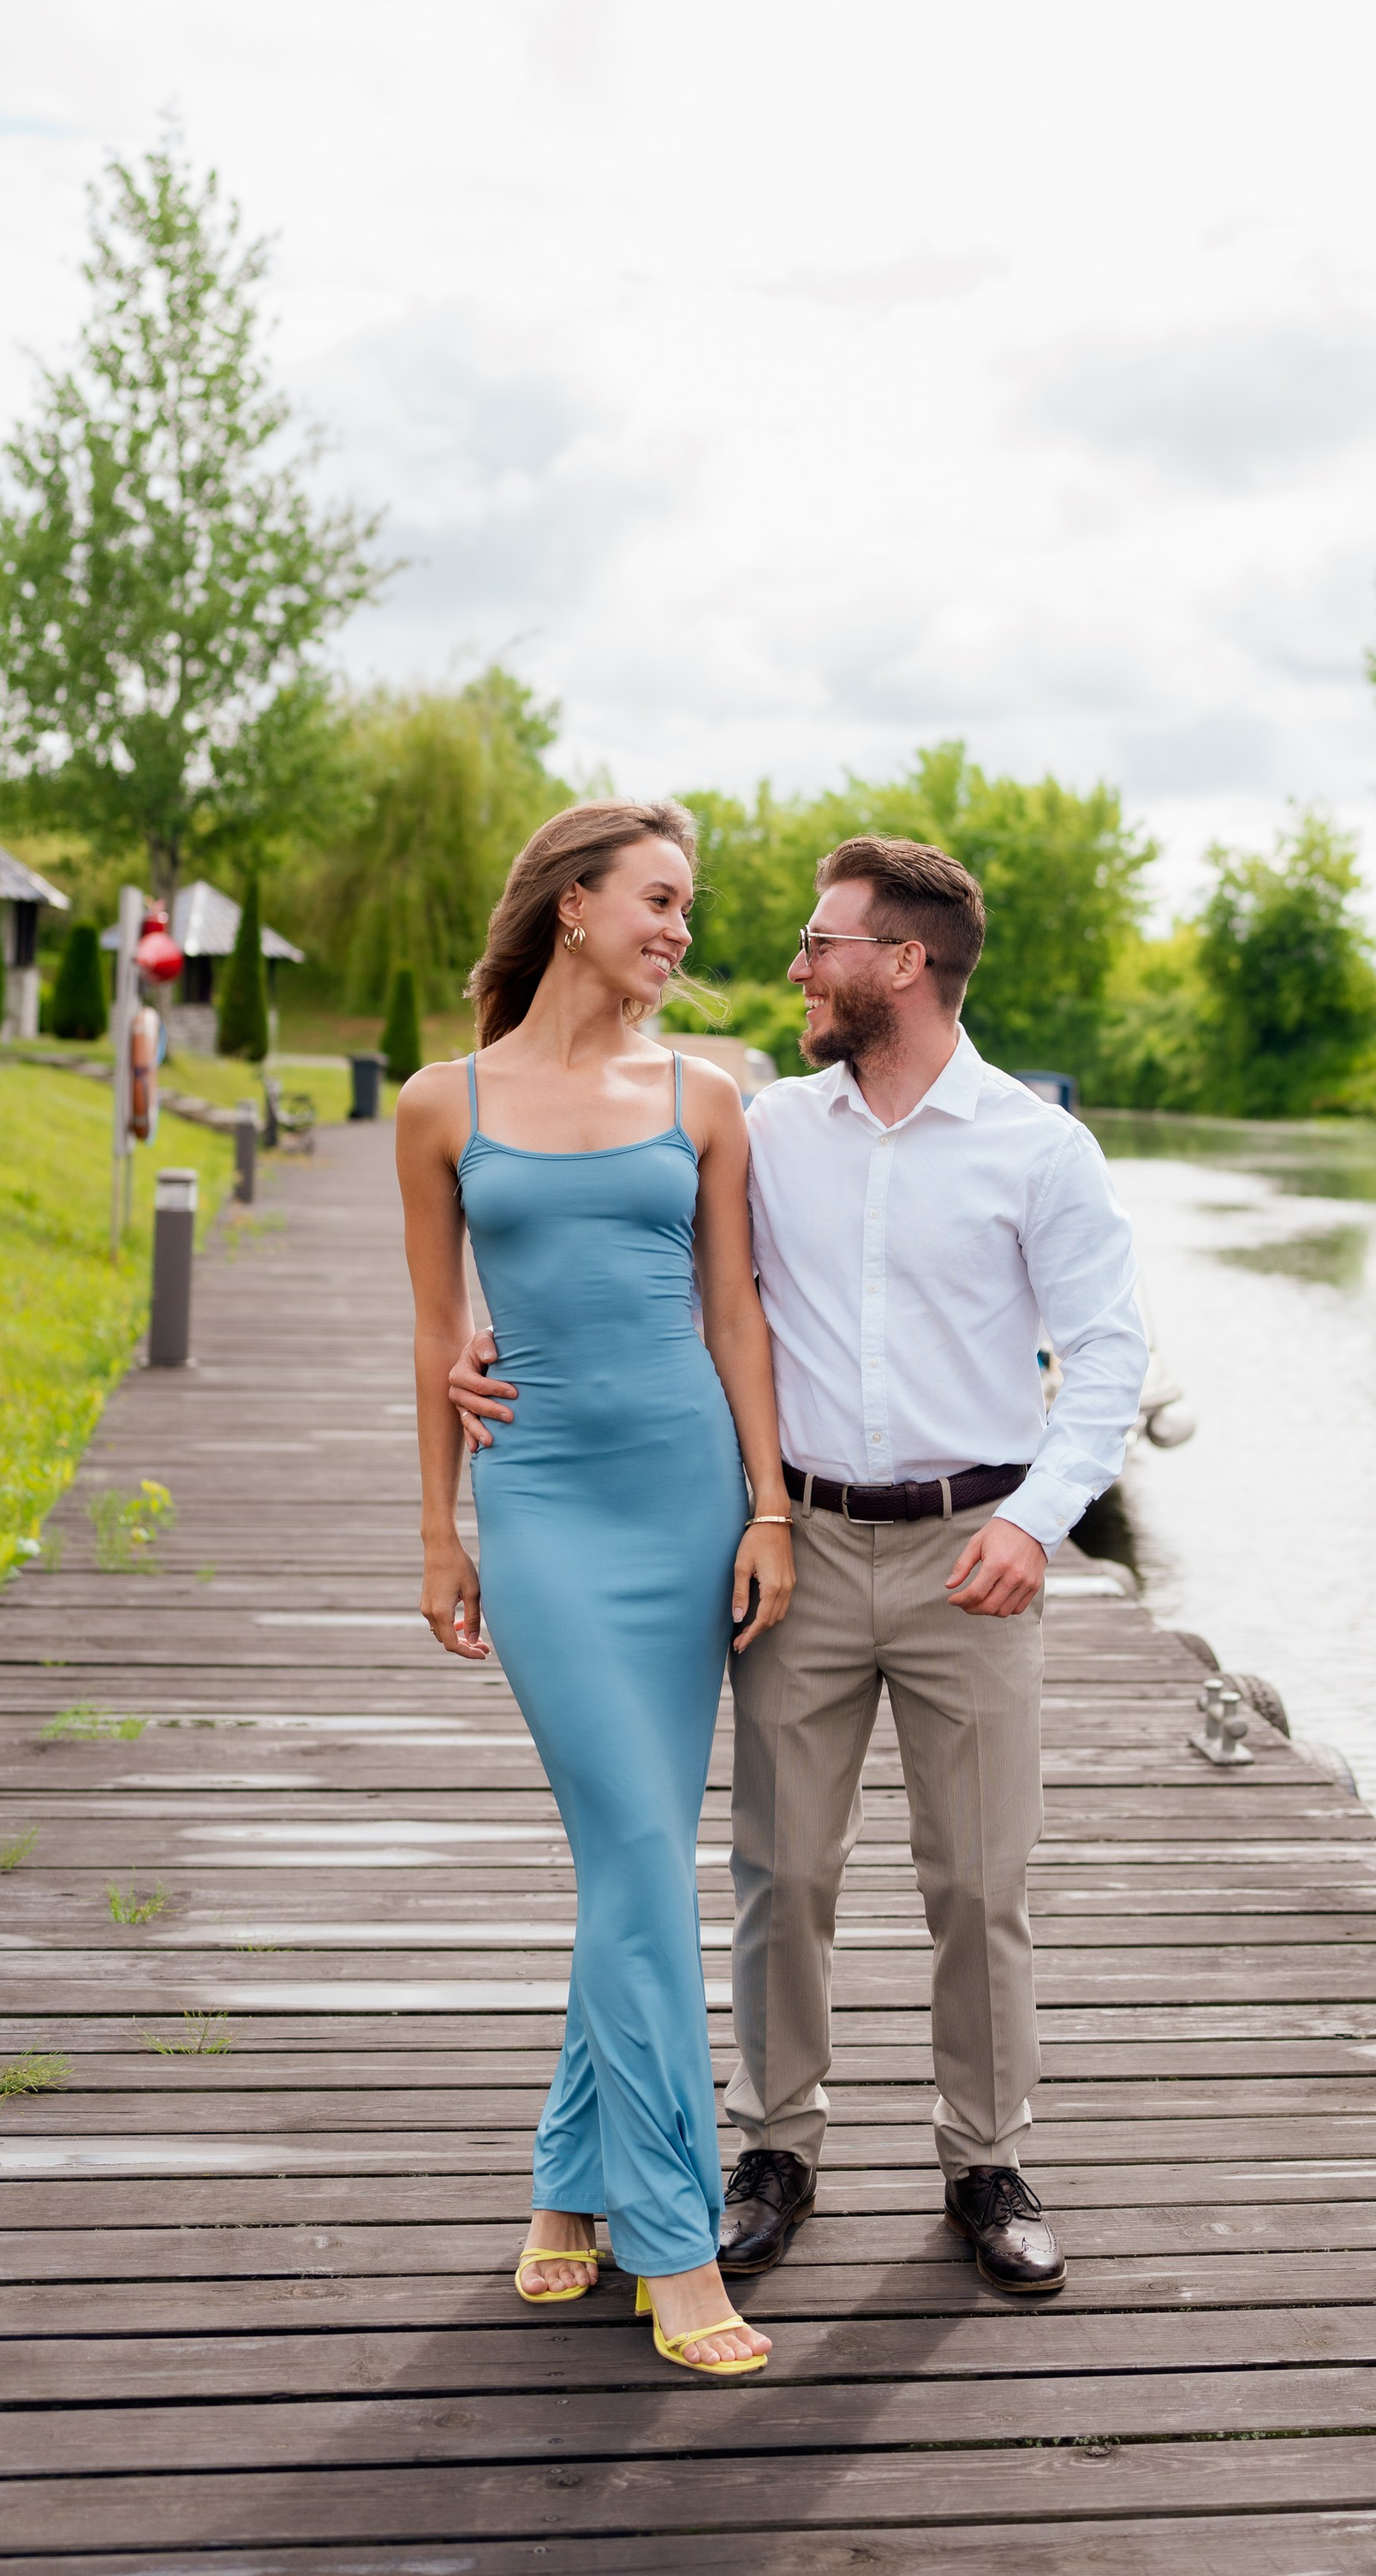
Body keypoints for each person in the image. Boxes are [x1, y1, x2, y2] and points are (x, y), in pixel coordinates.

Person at [455, 834, 1149, 2298]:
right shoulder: (767, 1126)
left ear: (902, 963)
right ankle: (774, 2148)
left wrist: (1039, 1517)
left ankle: (986, 2156)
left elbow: (1107, 1360)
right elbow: (647, 1254)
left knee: (979, 1879)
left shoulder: (1040, 1148)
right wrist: (489, 1326)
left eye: (821, 942)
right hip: (798, 1542)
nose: (791, 966)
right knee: (782, 1872)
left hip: (979, 1546)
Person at [396, 798, 796, 2376]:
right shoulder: (444, 1105)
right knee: (635, 1842)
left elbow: (740, 1320)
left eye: (688, 906)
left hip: (687, 1497)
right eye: (659, 899)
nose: (681, 930)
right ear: (571, 904)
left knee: (636, 1853)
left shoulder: (711, 1095)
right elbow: (437, 1342)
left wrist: (768, 1510)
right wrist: (440, 1527)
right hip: (547, 1507)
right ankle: (674, 2241)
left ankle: (575, 2190)